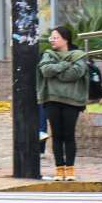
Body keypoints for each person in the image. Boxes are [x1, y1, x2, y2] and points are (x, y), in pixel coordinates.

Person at [37, 27, 89, 181]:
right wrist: (65, 65)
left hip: (72, 101)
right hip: (52, 100)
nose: (52, 40)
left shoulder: (78, 56)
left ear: (66, 39)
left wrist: (57, 71)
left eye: (56, 37)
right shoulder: (48, 55)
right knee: (57, 135)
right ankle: (59, 170)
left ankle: (70, 171)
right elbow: (46, 70)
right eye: (51, 38)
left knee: (69, 135)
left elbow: (75, 73)